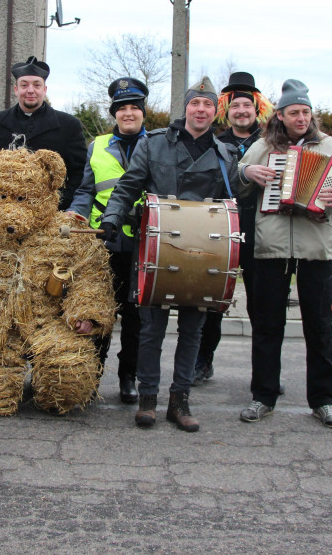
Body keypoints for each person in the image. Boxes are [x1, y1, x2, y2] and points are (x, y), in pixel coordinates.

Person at [99, 77, 242, 432]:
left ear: (215, 111)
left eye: (208, 105)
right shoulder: (155, 144)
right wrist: (112, 218)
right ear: (187, 108)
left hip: (203, 255)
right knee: (151, 331)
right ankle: (148, 400)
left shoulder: (226, 155)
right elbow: (127, 187)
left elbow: (236, 205)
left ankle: (179, 402)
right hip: (156, 249)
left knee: (192, 331)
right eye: (195, 103)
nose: (201, 110)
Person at [237, 79, 332, 429]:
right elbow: (238, 174)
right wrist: (249, 171)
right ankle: (263, 396)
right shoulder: (264, 146)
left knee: (320, 327)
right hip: (271, 248)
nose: (301, 118)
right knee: (267, 326)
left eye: (306, 112)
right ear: (280, 115)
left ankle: (323, 401)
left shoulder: (330, 145)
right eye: (294, 112)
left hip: (315, 249)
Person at [69, 76, 149, 404]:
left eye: (134, 107)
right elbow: (87, 189)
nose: (128, 113)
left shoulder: (156, 143)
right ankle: (93, 373)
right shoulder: (97, 145)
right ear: (113, 114)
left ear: (143, 112)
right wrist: (76, 214)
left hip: (144, 241)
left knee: (135, 315)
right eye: (122, 109)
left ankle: (128, 376)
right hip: (104, 240)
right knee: (99, 311)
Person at [193, 72, 273, 386]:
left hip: (260, 231)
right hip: (220, 231)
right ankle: (202, 361)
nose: (242, 111)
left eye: (247, 106)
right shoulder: (214, 142)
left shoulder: (271, 142)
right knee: (211, 301)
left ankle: (264, 373)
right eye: (236, 106)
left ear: (257, 109)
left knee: (262, 305)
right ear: (227, 110)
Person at [0, 56, 87, 211]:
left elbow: (79, 173)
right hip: (4, 211)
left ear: (44, 90)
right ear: (16, 90)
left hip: (52, 212)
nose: (30, 90)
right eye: (24, 85)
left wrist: (57, 203)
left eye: (36, 85)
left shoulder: (68, 125)